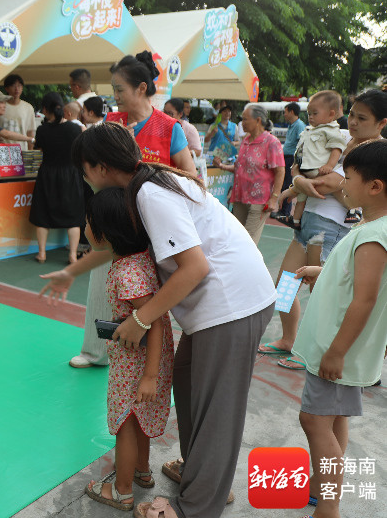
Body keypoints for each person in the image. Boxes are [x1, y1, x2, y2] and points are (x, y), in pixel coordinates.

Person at [42, 122, 275, 518]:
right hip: (220, 306)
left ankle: (197, 505)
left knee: (216, 408)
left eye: (84, 170)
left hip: (233, 305)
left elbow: (194, 267)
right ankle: (201, 471)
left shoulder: (151, 194)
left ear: (100, 167)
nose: (84, 179)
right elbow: (115, 245)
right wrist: (71, 272)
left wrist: (141, 319)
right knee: (187, 385)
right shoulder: (143, 188)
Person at [69, 51, 195, 369]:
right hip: (113, 223)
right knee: (102, 287)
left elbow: (190, 175)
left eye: (119, 89)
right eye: (113, 89)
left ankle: (143, 362)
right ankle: (95, 351)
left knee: (143, 296)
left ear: (141, 88)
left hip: (151, 229)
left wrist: (137, 159)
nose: (115, 96)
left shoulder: (169, 127)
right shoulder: (112, 123)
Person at [291, 139, 387, 518]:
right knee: (334, 418)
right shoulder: (372, 227)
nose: (341, 184)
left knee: (314, 420)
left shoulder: (374, 235)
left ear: (374, 186)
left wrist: (336, 352)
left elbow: (364, 300)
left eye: (348, 177)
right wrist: (323, 270)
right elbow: (356, 277)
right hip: (344, 349)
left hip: (337, 348)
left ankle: (328, 509)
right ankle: (322, 487)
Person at [259, 89, 387, 370]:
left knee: (323, 294)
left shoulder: (377, 155)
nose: (353, 122)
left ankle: (313, 351)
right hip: (308, 221)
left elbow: (331, 184)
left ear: (381, 123)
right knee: (286, 285)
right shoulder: (337, 136)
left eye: (362, 118)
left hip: (335, 229)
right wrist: (300, 180)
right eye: (351, 114)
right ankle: (289, 340)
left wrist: (301, 183)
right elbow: (300, 163)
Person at [82, 188, 174, 512]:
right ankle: (141, 470)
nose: (84, 226)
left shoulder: (127, 273)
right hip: (148, 359)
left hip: (136, 364)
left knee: (124, 425)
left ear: (105, 233)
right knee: (139, 417)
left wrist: (149, 376)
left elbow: (155, 322)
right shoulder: (139, 259)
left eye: (88, 222)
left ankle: (121, 491)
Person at [213, 104, 285, 244]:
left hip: (259, 201)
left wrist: (274, 197)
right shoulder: (245, 141)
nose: (242, 123)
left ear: (258, 120)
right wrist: (221, 166)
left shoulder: (271, 142)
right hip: (240, 198)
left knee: (248, 242)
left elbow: (280, 171)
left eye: (245, 119)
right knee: (236, 238)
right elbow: (240, 168)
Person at [29, 93, 85, 264]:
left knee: (42, 215)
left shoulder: (42, 130)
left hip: (47, 174)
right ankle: (72, 255)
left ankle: (42, 254)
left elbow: (38, 149)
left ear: (45, 109)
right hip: (70, 175)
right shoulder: (74, 129)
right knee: (73, 217)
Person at [277, 91, 347, 229]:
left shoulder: (331, 130)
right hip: (306, 169)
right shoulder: (308, 130)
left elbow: (337, 148)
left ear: (331, 114)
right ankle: (295, 220)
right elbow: (301, 149)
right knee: (301, 198)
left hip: (319, 169)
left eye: (315, 113)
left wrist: (329, 165)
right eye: (309, 114)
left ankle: (352, 208)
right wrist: (296, 166)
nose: (310, 117)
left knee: (334, 189)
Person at [275, 101, 305, 218]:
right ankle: (282, 210)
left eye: (285, 112)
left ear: (291, 112)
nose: (284, 115)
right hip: (286, 158)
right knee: (284, 184)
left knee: (287, 184)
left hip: (291, 158)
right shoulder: (292, 125)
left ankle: (284, 212)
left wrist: (296, 162)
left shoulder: (299, 125)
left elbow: (301, 143)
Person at [0, 74, 37, 151]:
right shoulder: (0, 106)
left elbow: (30, 132)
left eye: (19, 86)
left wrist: (30, 152)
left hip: (21, 149)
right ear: (7, 88)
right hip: (2, 150)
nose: (17, 89)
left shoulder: (28, 108)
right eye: (13, 86)